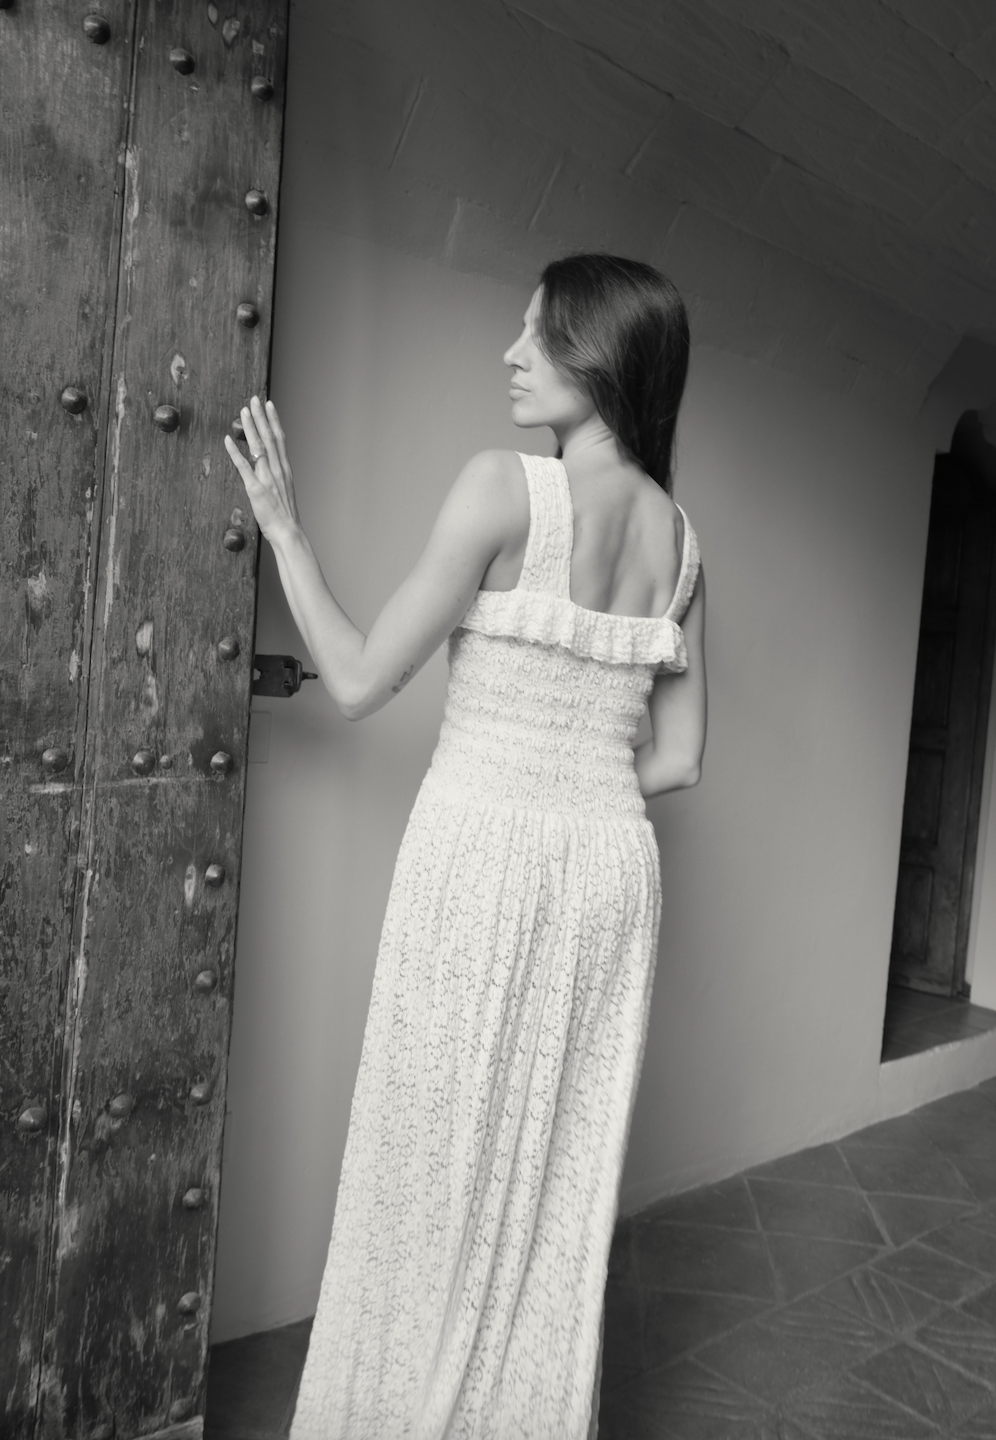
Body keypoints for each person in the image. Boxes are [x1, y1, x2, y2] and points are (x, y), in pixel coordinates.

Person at [224, 253, 706, 1440]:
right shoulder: (686, 543)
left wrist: (284, 529)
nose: (512, 353)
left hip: (480, 858)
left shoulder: (503, 488)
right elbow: (682, 759)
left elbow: (353, 681)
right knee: (552, 1175)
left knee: (428, 1163)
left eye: (538, 335)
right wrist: (577, 780)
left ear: (603, 357)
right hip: (610, 876)